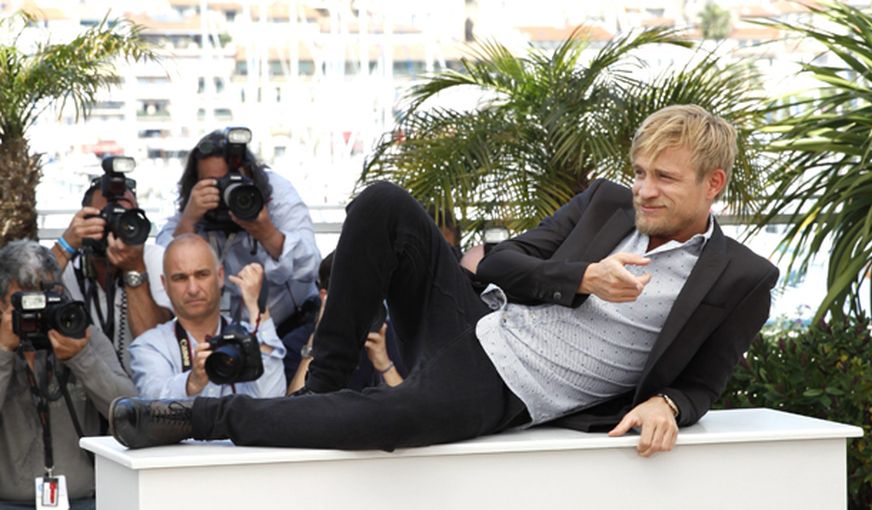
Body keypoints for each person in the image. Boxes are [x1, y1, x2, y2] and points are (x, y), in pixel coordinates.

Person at [110, 105, 779, 457]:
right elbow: (499, 263)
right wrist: (582, 277)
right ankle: (322, 388)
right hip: (471, 318)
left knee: (394, 423)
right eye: (640, 171)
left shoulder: (743, 276)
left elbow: (701, 383)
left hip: (511, 386)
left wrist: (670, 406)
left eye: (663, 178)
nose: (643, 189)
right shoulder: (606, 203)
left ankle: (202, 417)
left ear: (712, 185)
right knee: (384, 203)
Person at [156, 130, 321, 382]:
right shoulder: (191, 206)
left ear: (251, 176)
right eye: (213, 184)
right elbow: (163, 262)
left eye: (231, 181)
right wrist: (189, 219)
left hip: (289, 324)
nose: (225, 193)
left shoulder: (275, 193)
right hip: (219, 340)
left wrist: (267, 232)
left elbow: (311, 265)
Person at [0, 240, 136, 508]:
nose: (38, 311)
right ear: (2, 304)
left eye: (46, 298)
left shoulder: (84, 335)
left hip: (85, 499)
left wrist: (80, 356)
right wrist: (3, 350)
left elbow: (128, 411)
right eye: (25, 300)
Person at [129, 234, 286, 398]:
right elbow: (154, 409)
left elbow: (272, 399)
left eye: (202, 274)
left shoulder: (249, 335)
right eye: (180, 278)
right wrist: (192, 382)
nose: (193, 289)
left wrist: (257, 309)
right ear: (165, 284)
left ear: (220, 276)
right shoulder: (149, 346)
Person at [53, 177, 172, 375]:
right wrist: (66, 245)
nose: (115, 226)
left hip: (143, 390)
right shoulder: (69, 262)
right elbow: (23, 298)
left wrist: (134, 268)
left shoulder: (154, 258)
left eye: (125, 217)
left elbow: (155, 343)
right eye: (105, 217)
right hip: (81, 392)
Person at [286, 252, 406, 395]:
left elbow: (412, 413)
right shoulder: (297, 342)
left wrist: (385, 365)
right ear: (325, 297)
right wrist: (315, 346)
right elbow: (292, 410)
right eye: (347, 294)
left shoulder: (394, 339)